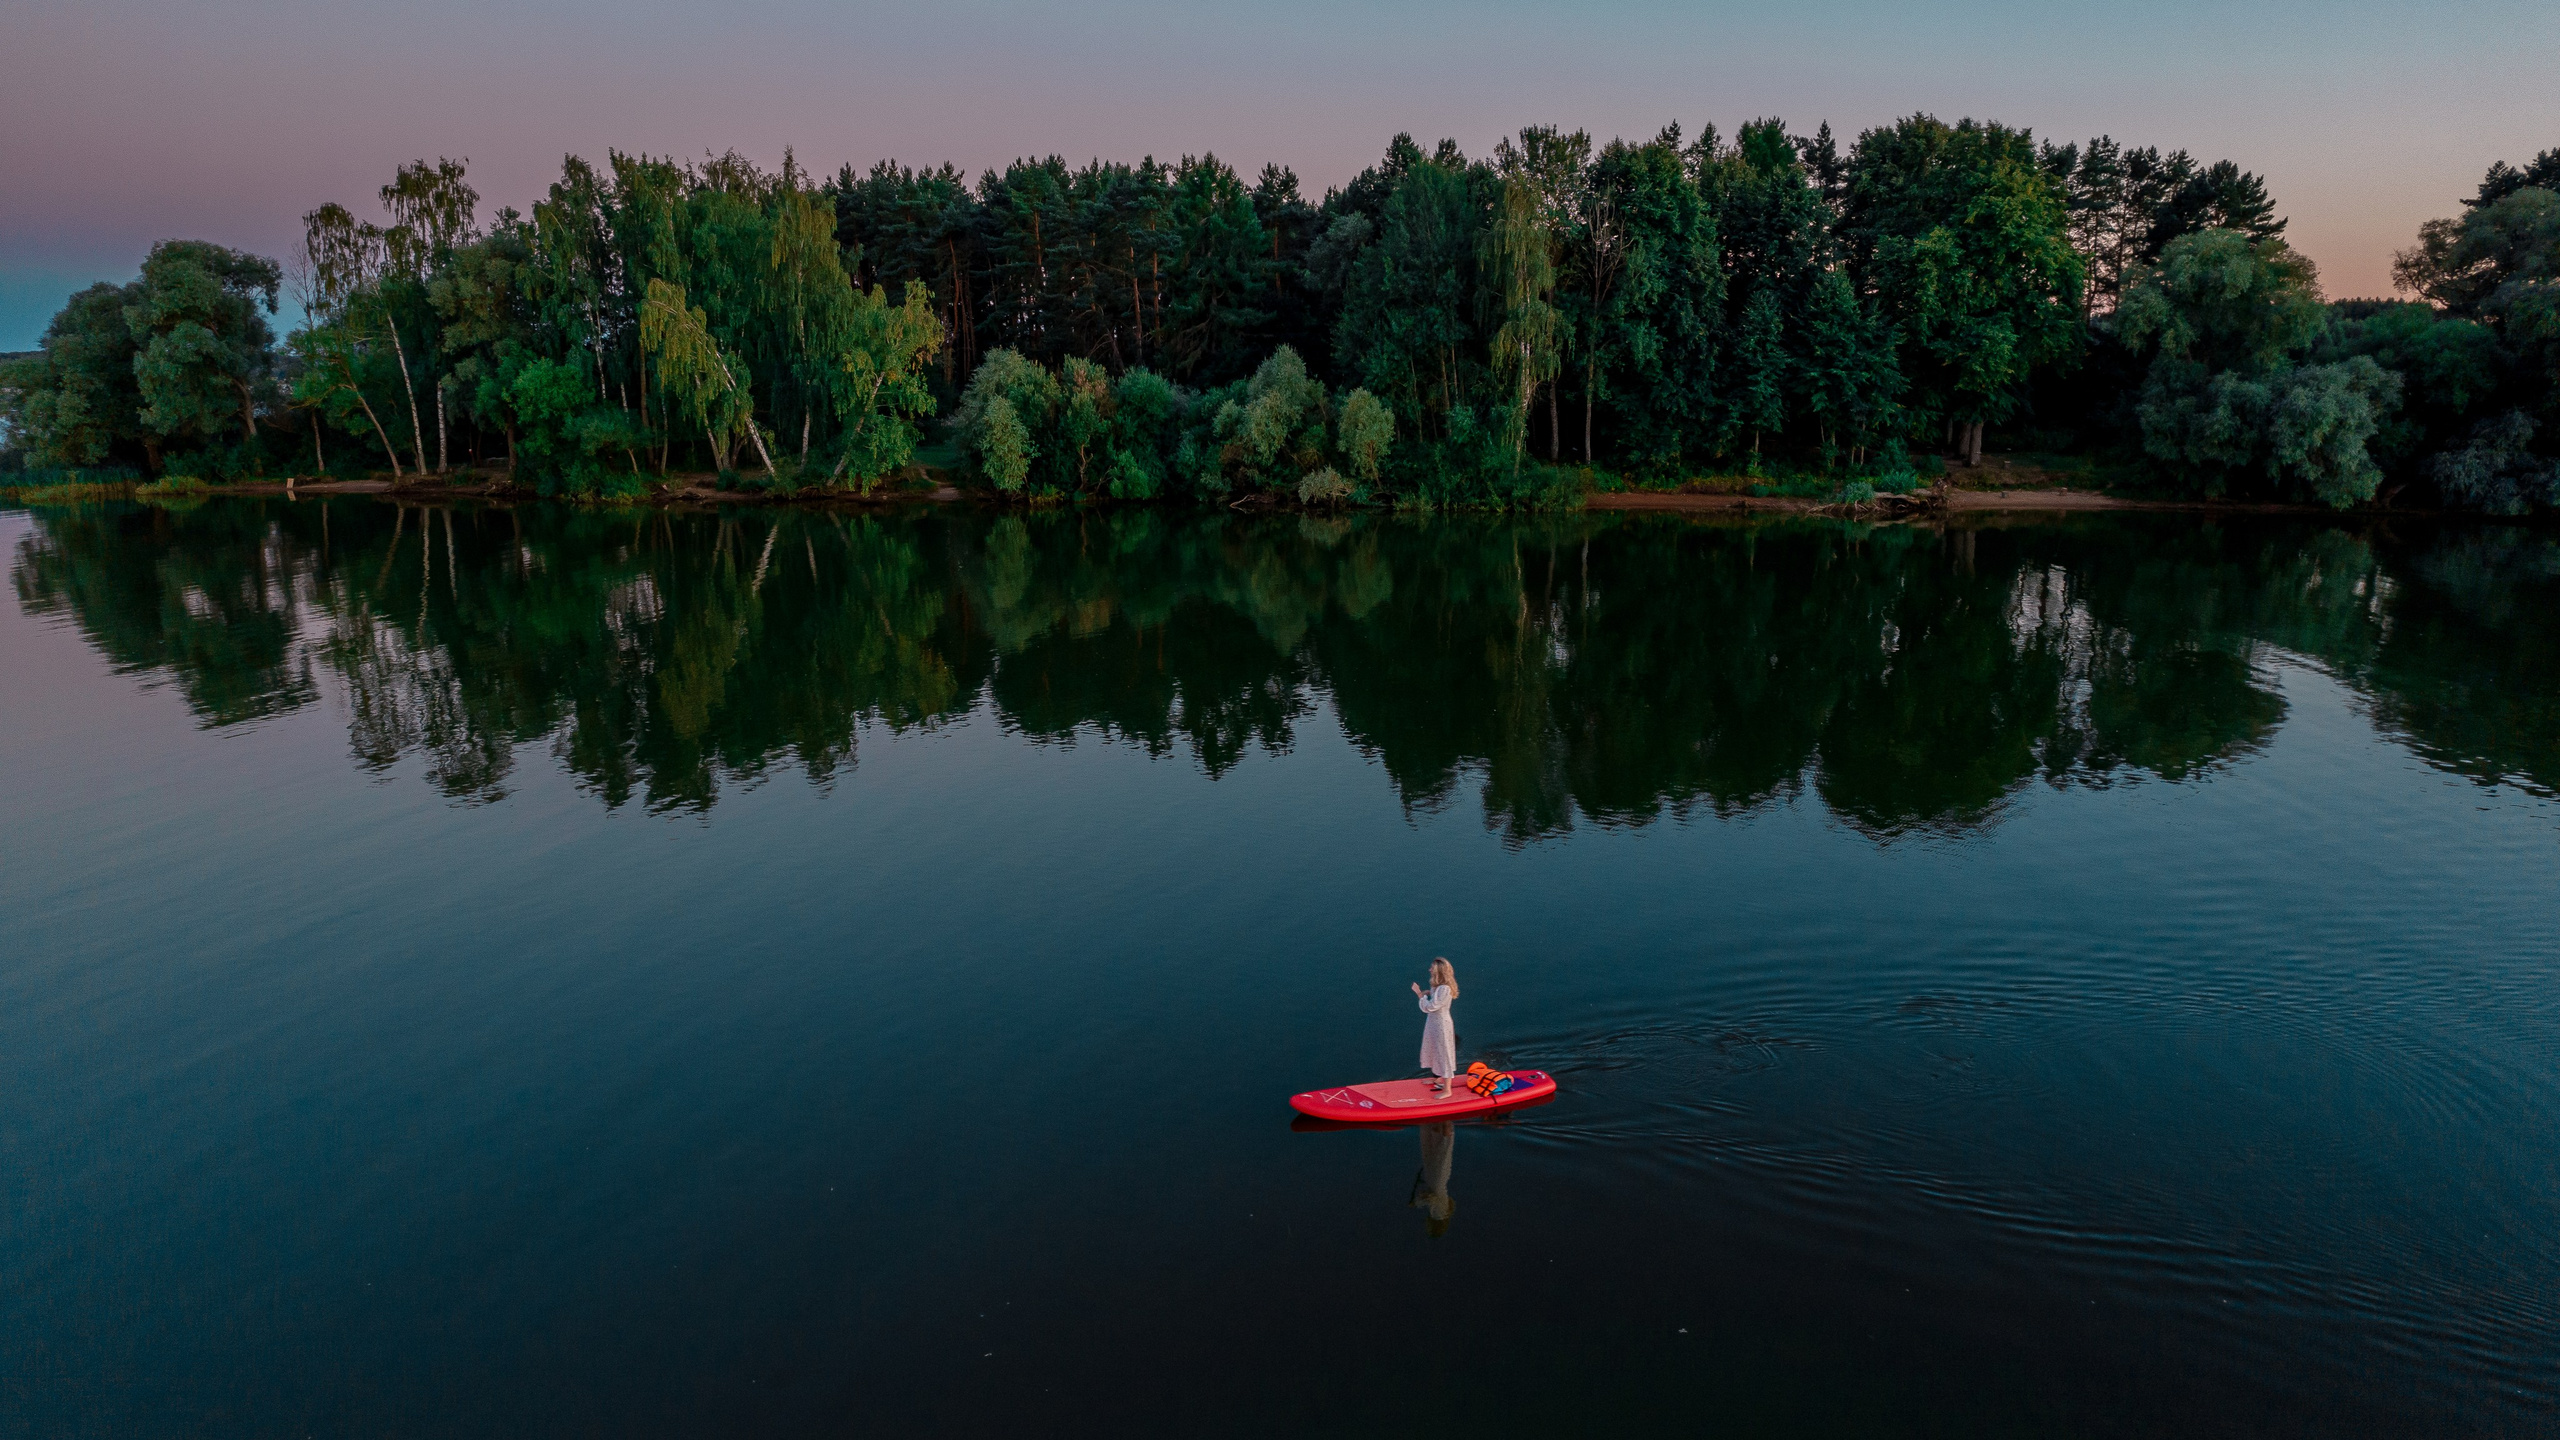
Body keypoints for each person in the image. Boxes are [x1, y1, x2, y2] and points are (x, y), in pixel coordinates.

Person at [1411, 957, 1459, 1093]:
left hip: (1441, 1025)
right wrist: (1428, 993)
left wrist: (1420, 995)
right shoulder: (1437, 987)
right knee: (1434, 1049)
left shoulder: (1444, 989)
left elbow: (1430, 1007)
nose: (1430, 970)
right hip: (1433, 1023)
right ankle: (1437, 1078)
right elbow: (1435, 1000)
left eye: (1432, 968)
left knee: (1444, 1052)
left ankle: (1447, 1089)